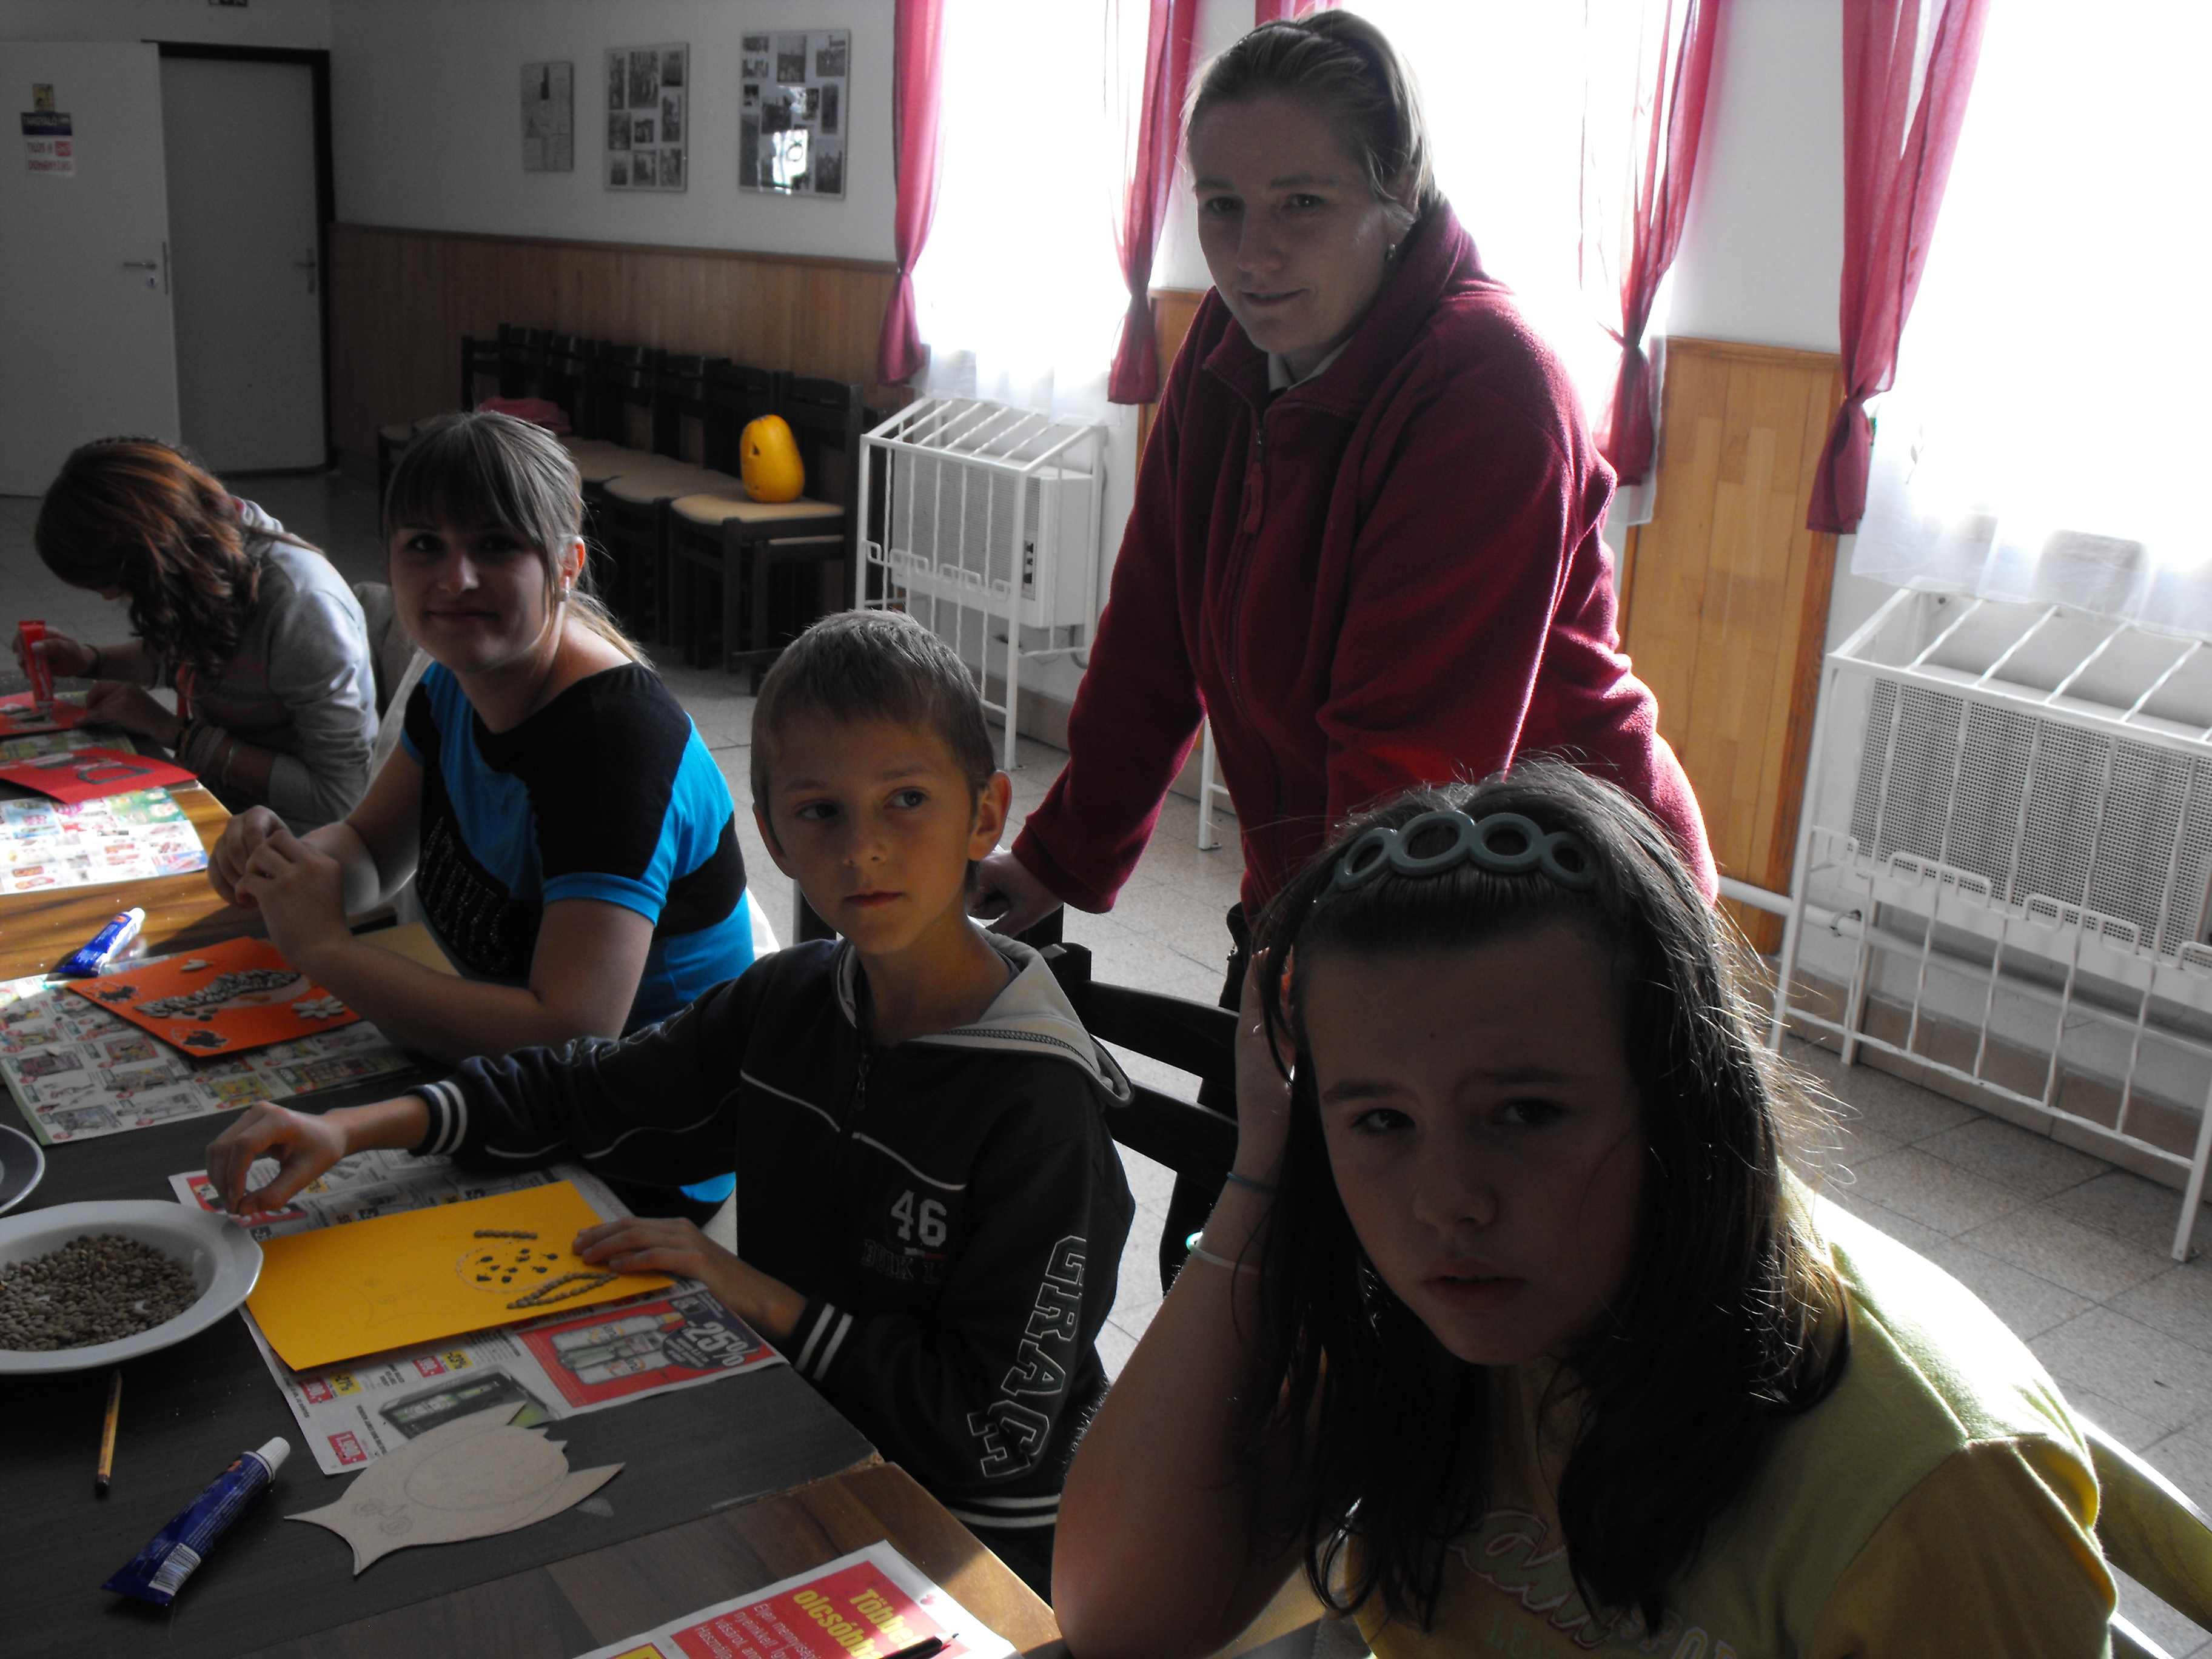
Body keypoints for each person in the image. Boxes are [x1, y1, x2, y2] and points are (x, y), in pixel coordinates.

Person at [968, 13, 1714, 1288]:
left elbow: (1408, 771)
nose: (1251, 253)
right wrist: (1059, 856)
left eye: (1300, 203)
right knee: (1236, 1270)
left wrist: (1307, 987)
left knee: (1413, 1300)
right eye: (1220, 205)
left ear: (1395, 196)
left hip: (1539, 915)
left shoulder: (1486, 382)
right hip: (1338, 887)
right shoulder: (1229, 344)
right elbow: (1153, 626)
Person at [1053, 764, 2116, 1658]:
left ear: (1680, 1098)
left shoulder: (1939, 1493)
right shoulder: (1416, 1302)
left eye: (1525, 1112)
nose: (1447, 1202)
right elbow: (1118, 1619)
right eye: (1380, 1119)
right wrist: (1265, 1175)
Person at [204, 608, 1136, 1597]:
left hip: (975, 1540)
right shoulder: (794, 997)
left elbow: (990, 1432)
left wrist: (755, 1294)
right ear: (772, 833)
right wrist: (352, 1128)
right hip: (799, 1430)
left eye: (906, 800)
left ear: (986, 816)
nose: (863, 851)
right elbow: (587, 1087)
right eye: (820, 811)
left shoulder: (1038, 1108)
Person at [206, 413, 755, 1113]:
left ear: (567, 566)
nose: (456, 579)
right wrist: (286, 867)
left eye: (497, 545)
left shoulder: (613, 745)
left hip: (645, 1126)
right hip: (503, 1085)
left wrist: (329, 953)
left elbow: (570, 1035)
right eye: (424, 545)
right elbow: (371, 850)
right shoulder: (453, 682)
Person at [22, 437, 378, 833]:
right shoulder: (204, 541)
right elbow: (199, 658)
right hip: (230, 799)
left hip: (298, 835)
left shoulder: (303, 609)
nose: (109, 597)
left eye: (118, 586)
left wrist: (174, 733)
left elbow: (338, 796)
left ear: (152, 558)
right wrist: (90, 661)